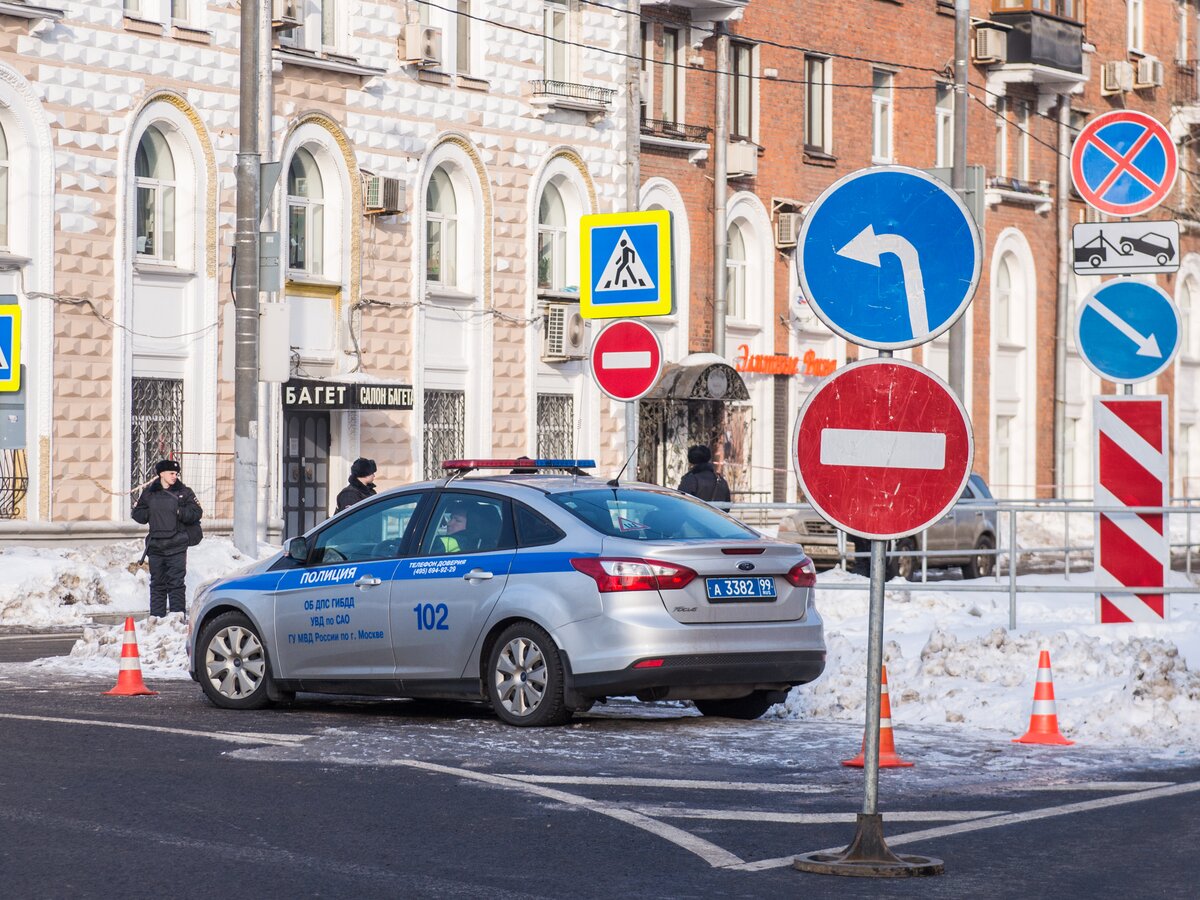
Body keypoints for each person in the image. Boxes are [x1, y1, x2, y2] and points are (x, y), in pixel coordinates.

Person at [131, 459, 202, 618]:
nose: (174, 476)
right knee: (157, 585)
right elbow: (138, 515)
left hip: (177, 545)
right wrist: (150, 513)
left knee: (176, 584)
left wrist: (180, 512)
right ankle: (156, 618)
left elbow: (197, 512)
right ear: (161, 474)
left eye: (176, 473)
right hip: (155, 547)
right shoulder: (149, 493)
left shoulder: (184, 492)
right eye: (171, 473)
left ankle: (177, 619)